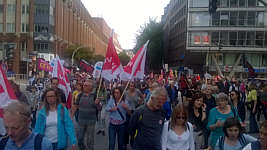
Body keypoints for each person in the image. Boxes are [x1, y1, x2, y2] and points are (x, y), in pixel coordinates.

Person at [73, 79, 102, 150]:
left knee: (90, 139)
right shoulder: (80, 95)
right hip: (80, 120)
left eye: (86, 85)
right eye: (83, 85)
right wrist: (71, 115)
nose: (83, 86)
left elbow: (99, 109)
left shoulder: (95, 96)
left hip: (91, 121)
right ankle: (82, 147)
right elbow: (76, 106)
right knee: (79, 137)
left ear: (91, 87)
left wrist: (97, 104)